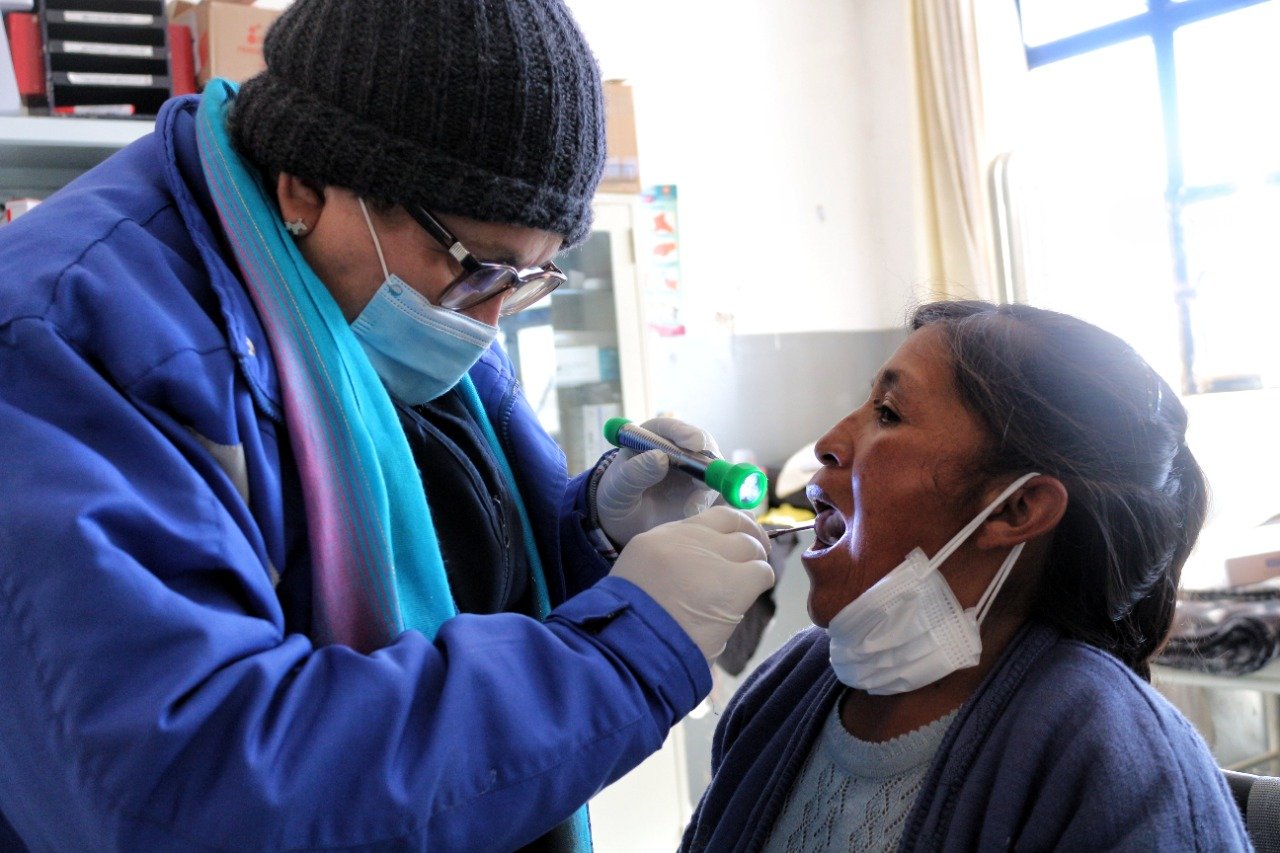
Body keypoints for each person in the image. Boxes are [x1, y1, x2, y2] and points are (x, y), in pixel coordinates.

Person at [0, 1, 774, 850]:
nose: (493, 318)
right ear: (306, 183)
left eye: (529, 280)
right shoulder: (65, 341)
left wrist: (590, 540)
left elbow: (462, 588)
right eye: (480, 270)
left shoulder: (382, 288)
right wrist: (621, 656)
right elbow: (195, 790)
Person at [681, 300, 1250, 852]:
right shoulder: (793, 683)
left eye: (888, 414)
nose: (829, 445)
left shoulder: (1112, 759)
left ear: (1014, 510)